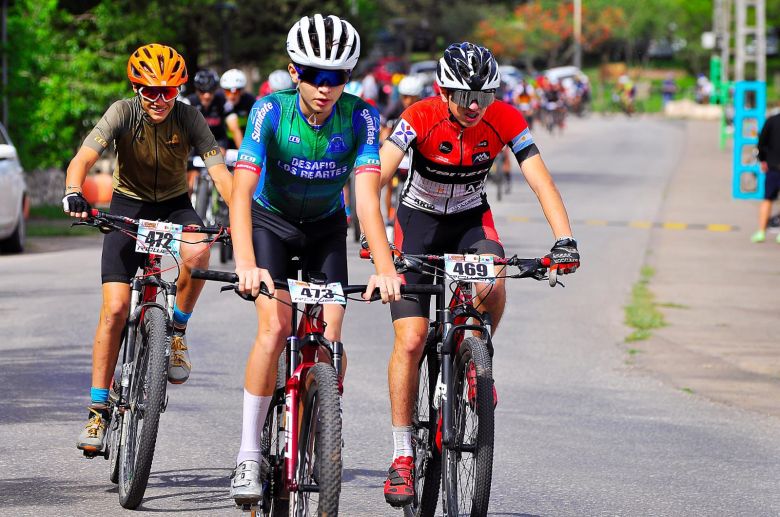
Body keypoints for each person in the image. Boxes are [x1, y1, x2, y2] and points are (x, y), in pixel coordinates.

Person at [378, 42, 580, 507]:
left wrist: (564, 239)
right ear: (443, 90)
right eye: (464, 96)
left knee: (493, 280)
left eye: (484, 96)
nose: (474, 106)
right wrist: (376, 235)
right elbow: (379, 173)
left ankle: (476, 357)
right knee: (410, 339)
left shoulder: (505, 117)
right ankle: (403, 456)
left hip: (470, 220)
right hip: (417, 223)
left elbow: (538, 177)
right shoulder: (419, 116)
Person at [227, 14, 400, 504]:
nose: (325, 89)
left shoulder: (363, 117)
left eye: (337, 78)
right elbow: (240, 194)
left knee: (331, 338)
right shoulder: (269, 110)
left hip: (326, 226)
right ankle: (248, 455)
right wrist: (245, 262)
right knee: (275, 327)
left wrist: (384, 267)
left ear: (349, 79)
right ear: (294, 71)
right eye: (313, 76)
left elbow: (367, 199)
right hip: (270, 223)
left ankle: (319, 422)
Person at [63, 44, 233, 453]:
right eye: (150, 91)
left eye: (168, 91)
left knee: (198, 251)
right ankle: (97, 411)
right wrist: (73, 191)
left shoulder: (190, 117)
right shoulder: (122, 112)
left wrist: (238, 216)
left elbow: (219, 172)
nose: (159, 100)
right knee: (116, 309)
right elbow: (83, 158)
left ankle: (176, 330)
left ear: (178, 91)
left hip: (174, 206)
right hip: (127, 205)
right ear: (136, 88)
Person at [380, 74, 425, 228]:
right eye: (405, 97)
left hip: (415, 154)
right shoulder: (394, 107)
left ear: (418, 97)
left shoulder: (422, 109)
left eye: (412, 97)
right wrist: (384, 141)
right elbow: (385, 128)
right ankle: (389, 215)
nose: (408, 101)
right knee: (390, 185)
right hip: (398, 153)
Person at [751, 111, 780, 243]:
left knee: (767, 199)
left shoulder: (772, 121)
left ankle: (761, 232)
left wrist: (763, 159)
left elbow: (761, 142)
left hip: (773, 166)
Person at [221, 68, 256, 149]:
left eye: (236, 91)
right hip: (223, 145)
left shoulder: (249, 100)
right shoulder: (219, 100)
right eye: (227, 91)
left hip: (246, 143)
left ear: (241, 91)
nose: (232, 96)